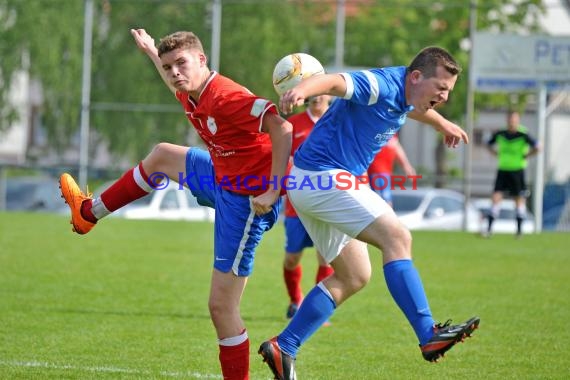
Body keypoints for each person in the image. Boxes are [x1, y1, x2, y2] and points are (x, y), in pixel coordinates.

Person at [59, 29, 292, 380]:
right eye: (168, 67)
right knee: (163, 156)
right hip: (222, 178)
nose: (174, 73)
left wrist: (273, 191)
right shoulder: (191, 92)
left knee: (221, 306)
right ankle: (87, 213)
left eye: (181, 64)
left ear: (203, 60)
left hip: (247, 203)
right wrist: (153, 52)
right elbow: (172, 77)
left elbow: (282, 128)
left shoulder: (226, 96)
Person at [258, 46, 480, 379]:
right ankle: (428, 334)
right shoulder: (381, 84)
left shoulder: (406, 95)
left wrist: (441, 123)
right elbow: (335, 82)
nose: (444, 97)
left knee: (354, 275)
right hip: (323, 177)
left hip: (313, 181)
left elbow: (413, 110)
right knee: (398, 237)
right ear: (417, 77)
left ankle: (284, 346)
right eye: (441, 89)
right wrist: (302, 89)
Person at [282, 95, 334, 321]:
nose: (316, 97)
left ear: (330, 94)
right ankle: (295, 301)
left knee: (327, 258)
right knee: (292, 258)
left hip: (329, 201)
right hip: (297, 203)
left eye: (321, 91)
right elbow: (281, 158)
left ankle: (316, 312)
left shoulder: (337, 121)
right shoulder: (293, 123)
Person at [484, 110, 539, 238]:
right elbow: (487, 143)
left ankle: (519, 231)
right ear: (507, 120)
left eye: (514, 120)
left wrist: (527, 155)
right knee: (496, 197)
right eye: (510, 119)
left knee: (518, 199)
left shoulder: (523, 134)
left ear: (518, 120)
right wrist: (494, 153)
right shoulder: (500, 133)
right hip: (503, 169)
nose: (511, 122)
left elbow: (538, 146)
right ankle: (489, 229)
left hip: (517, 170)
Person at [367, 134, 416, 207]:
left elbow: (395, 145)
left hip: (385, 171)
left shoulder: (391, 129)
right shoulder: (376, 127)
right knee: (383, 204)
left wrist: (406, 166)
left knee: (386, 203)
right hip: (376, 170)